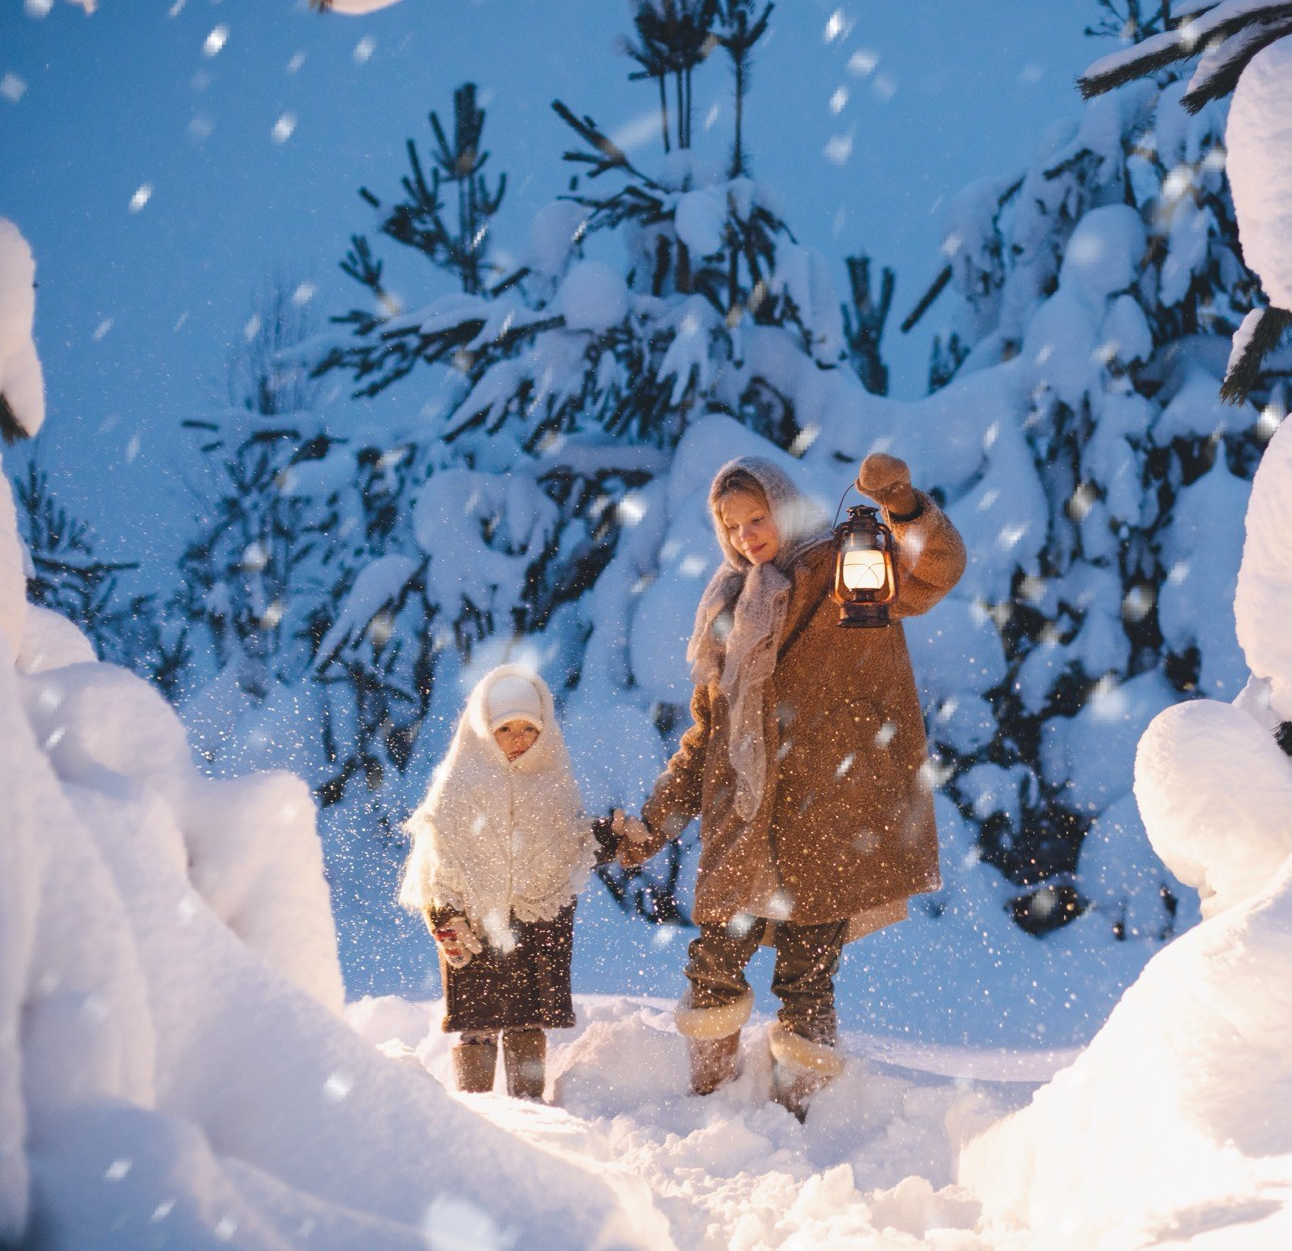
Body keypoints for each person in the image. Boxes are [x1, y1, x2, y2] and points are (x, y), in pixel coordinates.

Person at [619, 451, 965, 1119]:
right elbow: (708, 735)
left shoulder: (845, 564)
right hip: (743, 824)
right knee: (713, 963)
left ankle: (798, 1118)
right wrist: (655, 820)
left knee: (807, 977)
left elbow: (936, 568)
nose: (749, 535)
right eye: (734, 525)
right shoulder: (728, 605)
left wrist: (901, 503)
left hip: (825, 819)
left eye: (759, 518)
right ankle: (707, 1103)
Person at [399, 663, 616, 1101]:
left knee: (526, 1019)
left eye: (529, 729)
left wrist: (608, 836)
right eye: (505, 729)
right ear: (482, 729)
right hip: (475, 928)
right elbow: (435, 865)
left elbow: (568, 844)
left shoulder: (553, 779)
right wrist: (445, 918)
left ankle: (528, 1105)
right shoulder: (458, 785)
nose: (519, 739)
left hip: (537, 928)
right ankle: (475, 1109)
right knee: (477, 1022)